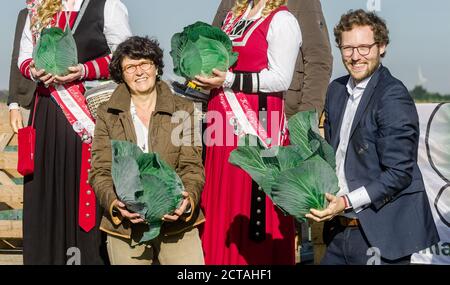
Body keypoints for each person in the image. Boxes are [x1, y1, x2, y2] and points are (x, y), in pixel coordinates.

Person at [306, 9, 440, 265]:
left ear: (382, 47)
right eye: (348, 48)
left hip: (381, 234)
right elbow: (333, 155)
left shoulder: (393, 96)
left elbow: (399, 172)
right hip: (337, 229)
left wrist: (345, 201)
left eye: (364, 47)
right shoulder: (335, 90)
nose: (355, 57)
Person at [17, 0, 131, 264]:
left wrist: (83, 70)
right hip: (45, 114)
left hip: (88, 115)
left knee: (83, 192)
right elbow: (23, 57)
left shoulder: (108, 5)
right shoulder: (38, 7)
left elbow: (124, 57)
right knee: (45, 196)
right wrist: (33, 70)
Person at [194, 0, 302, 265]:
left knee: (249, 203)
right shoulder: (233, 14)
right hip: (220, 124)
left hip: (258, 121)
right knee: (220, 202)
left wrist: (228, 80)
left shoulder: (282, 20)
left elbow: (280, 78)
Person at [89, 36, 205, 265]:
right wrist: (115, 204)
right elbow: (99, 171)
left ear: (156, 67)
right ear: (121, 74)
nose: (139, 72)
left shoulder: (184, 110)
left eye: (145, 64)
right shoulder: (107, 113)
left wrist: (187, 201)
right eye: (131, 67)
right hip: (126, 227)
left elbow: (192, 166)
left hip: (176, 223)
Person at [212, 0, 332, 118]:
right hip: (222, 110)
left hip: (275, 112)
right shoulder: (230, 3)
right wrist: (201, 99)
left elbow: (318, 60)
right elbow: (211, 49)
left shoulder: (300, 4)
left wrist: (306, 119)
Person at [8, 8, 36, 132]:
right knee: (31, 150)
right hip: (29, 100)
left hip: (64, 96)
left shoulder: (71, 9)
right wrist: (14, 104)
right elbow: (16, 58)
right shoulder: (26, 13)